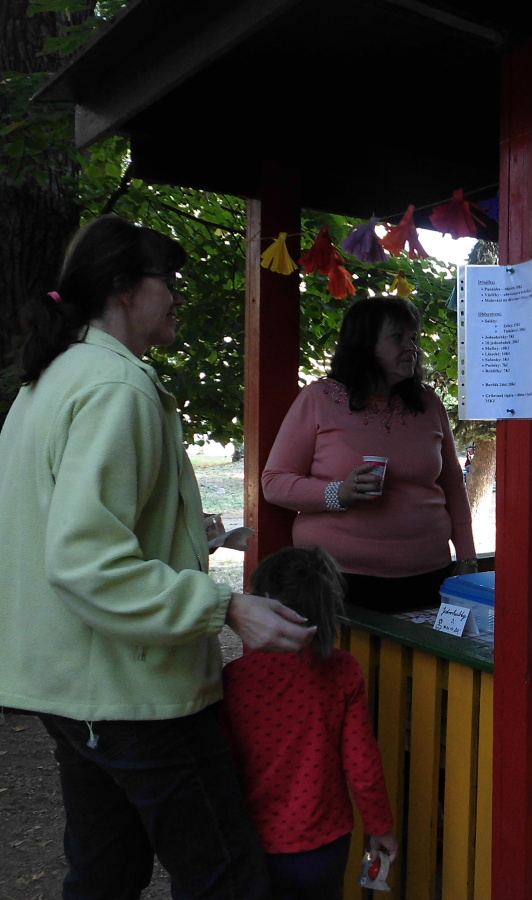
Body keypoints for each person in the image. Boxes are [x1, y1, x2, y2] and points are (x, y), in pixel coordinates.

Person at [0, 215, 314, 898]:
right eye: (167, 281)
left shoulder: (50, 380)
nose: (177, 296)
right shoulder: (116, 387)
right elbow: (87, 560)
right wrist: (225, 606)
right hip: (134, 694)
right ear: (123, 288)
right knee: (226, 878)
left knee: (104, 874)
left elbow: (58, 528)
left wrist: (182, 533)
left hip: (67, 688)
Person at [263, 297, 477, 612]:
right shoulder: (319, 398)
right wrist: (338, 493)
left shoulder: (429, 403)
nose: (411, 347)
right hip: (335, 579)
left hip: (429, 574)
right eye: (397, 337)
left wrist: (468, 557)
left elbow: (453, 487)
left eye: (413, 338)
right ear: (364, 344)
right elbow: (274, 482)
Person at [222, 546, 398, 899]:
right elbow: (363, 768)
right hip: (325, 844)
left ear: (263, 603)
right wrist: (381, 828)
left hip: (254, 843)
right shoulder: (343, 671)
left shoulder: (234, 678)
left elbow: (223, 766)